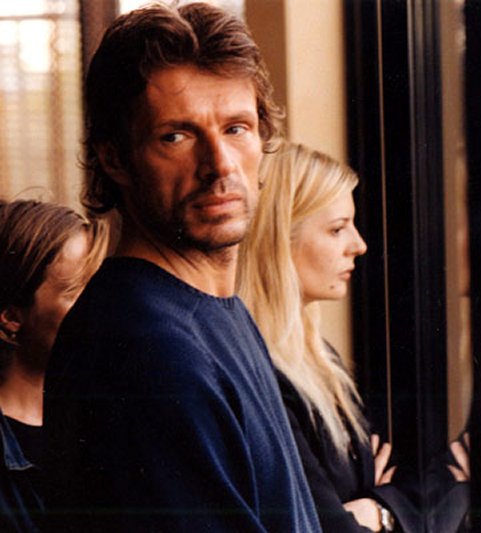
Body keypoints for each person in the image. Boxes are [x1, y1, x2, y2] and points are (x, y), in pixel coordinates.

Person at [42, 3, 320, 531]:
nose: (220, 165)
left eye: (236, 128)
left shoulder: (210, 310)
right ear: (115, 159)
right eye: (176, 136)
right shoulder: (146, 350)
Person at [238, 142, 469, 532]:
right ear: (278, 240)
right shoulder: (263, 376)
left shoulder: (318, 359)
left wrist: (373, 506)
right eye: (337, 229)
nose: (359, 245)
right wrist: (384, 511)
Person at [0, 200, 106, 532]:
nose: (101, 306)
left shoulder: (115, 411)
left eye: (100, 286)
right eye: (77, 292)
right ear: (11, 316)